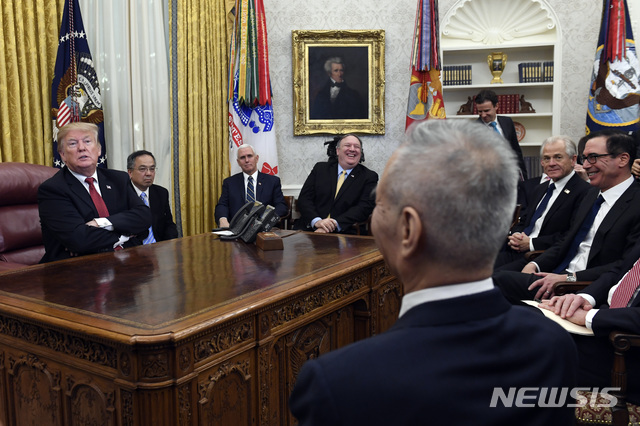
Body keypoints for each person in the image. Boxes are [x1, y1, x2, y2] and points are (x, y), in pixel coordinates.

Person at [289, 120, 577, 425]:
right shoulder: (553, 344)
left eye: (380, 206)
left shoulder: (338, 383)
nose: (374, 218)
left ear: (409, 230)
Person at [494, 130, 640, 303]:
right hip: (556, 275)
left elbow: (625, 267)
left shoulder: (634, 203)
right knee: (488, 280)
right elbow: (566, 241)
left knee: (494, 285)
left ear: (623, 159)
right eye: (584, 159)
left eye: (593, 157)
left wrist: (569, 279)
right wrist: (535, 264)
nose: (585, 165)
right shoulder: (592, 195)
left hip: (583, 288)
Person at [539, 237, 640, 404]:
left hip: (626, 352)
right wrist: (585, 298)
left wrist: (589, 317)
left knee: (535, 349)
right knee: (527, 322)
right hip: (603, 325)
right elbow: (618, 271)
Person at [38, 122, 151, 263]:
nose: (81, 148)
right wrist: (127, 235)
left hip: (123, 264)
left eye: (87, 141)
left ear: (98, 149)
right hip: (75, 270)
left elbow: (144, 217)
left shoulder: (118, 179)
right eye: (73, 144)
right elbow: (79, 240)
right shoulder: (53, 189)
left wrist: (100, 223)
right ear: (62, 155)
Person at [495, 136, 591, 268]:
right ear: (542, 162)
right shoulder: (540, 189)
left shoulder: (584, 191)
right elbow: (524, 220)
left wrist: (531, 243)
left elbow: (570, 235)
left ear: (573, 159)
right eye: (546, 158)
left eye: (558, 157)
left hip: (541, 257)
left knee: (488, 279)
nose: (551, 163)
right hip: (516, 250)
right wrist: (516, 235)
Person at [296, 134, 377, 234]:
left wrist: (333, 224)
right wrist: (317, 221)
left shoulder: (369, 177)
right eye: (347, 145)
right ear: (338, 151)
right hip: (310, 229)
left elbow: (364, 208)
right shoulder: (320, 169)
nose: (352, 149)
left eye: (357, 147)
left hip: (345, 232)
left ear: (360, 152)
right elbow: (304, 199)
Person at [214, 144, 288, 228]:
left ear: (256, 158)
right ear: (238, 162)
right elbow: (222, 205)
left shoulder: (272, 181)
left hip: (263, 229)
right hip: (237, 230)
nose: (246, 160)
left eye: (249, 156)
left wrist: (265, 219)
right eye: (242, 157)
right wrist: (222, 219)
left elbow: (281, 206)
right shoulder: (229, 183)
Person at [475, 89, 528, 180]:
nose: (483, 115)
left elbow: (516, 151)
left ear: (496, 106)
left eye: (487, 111)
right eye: (480, 111)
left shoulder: (507, 122)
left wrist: (524, 177)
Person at [127, 150, 178, 242]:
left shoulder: (161, 193)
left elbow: (168, 224)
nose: (148, 173)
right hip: (134, 250)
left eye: (152, 169)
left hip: (160, 248)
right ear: (130, 172)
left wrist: (169, 245)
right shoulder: (122, 194)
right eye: (142, 169)